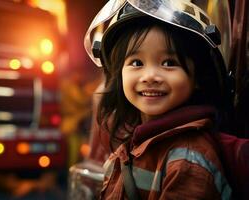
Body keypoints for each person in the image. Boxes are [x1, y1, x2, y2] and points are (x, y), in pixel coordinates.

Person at [84, 0, 234, 199]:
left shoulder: (188, 159)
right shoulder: (134, 140)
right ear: (119, 74)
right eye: (137, 62)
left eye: (169, 63)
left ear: (197, 77)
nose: (150, 76)